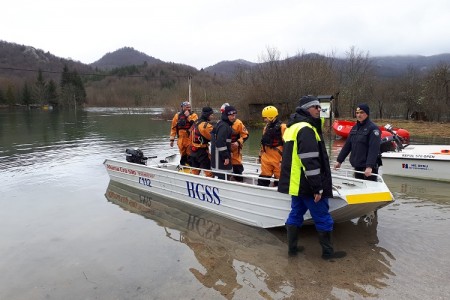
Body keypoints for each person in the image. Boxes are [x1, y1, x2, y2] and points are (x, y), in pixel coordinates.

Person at [278, 95, 346, 260]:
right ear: (307, 109)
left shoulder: (292, 127)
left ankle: (292, 250)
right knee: (322, 217)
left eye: (319, 107)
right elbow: (310, 161)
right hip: (308, 185)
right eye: (315, 107)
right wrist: (317, 187)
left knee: (295, 214)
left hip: (296, 183)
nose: (319, 109)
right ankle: (328, 254)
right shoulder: (306, 129)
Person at [334, 104, 381, 181]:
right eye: (357, 113)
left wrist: (369, 166)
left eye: (362, 112)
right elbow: (348, 145)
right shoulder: (355, 128)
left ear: (367, 114)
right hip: (357, 165)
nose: (359, 115)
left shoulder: (373, 129)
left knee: (369, 191)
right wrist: (339, 161)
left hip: (368, 168)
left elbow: (374, 149)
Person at [257, 105, 286, 186]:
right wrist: (260, 155)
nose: (264, 119)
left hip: (278, 159)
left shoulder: (283, 127)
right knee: (263, 180)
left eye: (265, 117)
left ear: (271, 116)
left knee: (279, 181)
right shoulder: (266, 128)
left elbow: (287, 146)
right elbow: (263, 142)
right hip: (266, 158)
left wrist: (282, 160)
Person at [220, 103, 249, 182]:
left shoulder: (238, 123)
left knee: (237, 169)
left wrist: (238, 143)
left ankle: (239, 183)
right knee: (224, 170)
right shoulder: (221, 123)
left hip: (235, 150)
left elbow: (245, 135)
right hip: (224, 151)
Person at [211, 105, 236, 180]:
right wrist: (226, 156)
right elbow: (220, 142)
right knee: (223, 175)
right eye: (231, 115)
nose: (233, 117)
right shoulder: (224, 126)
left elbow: (225, 142)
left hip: (219, 155)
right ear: (226, 115)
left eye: (234, 115)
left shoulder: (222, 124)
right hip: (220, 157)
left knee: (222, 175)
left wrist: (230, 151)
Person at [169, 101, 198, 166]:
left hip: (189, 138)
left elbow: (195, 124)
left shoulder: (194, 115)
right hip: (180, 139)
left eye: (189, 107)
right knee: (182, 154)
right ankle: (184, 167)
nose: (188, 109)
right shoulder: (177, 116)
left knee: (190, 154)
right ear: (182, 107)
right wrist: (172, 140)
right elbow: (173, 128)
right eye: (186, 107)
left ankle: (191, 167)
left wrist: (188, 116)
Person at [189, 107, 214, 177]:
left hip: (193, 151)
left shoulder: (196, 122)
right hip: (202, 152)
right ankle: (211, 185)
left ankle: (193, 184)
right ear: (207, 115)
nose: (212, 116)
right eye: (211, 115)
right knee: (209, 171)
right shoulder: (205, 126)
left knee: (195, 171)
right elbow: (214, 137)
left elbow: (190, 134)